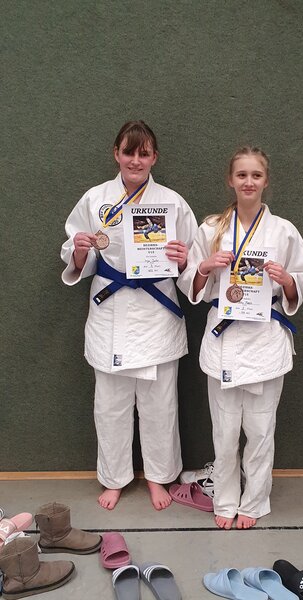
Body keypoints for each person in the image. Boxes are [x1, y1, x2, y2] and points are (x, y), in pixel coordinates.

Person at [178, 146, 303, 529]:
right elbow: (190, 282)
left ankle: (254, 502)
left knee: (260, 432)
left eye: (256, 175)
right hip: (224, 340)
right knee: (223, 434)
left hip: (265, 340)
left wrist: (288, 281)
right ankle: (225, 501)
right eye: (242, 175)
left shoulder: (283, 231)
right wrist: (205, 267)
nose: (249, 182)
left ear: (265, 181)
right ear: (230, 180)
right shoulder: (211, 229)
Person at [61, 120, 197, 511]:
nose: (135, 160)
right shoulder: (95, 199)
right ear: (116, 154)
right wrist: (80, 249)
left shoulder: (172, 203)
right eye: (128, 152)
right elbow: (77, 255)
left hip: (157, 311)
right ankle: (114, 478)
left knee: (160, 406)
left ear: (154, 157)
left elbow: (194, 262)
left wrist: (184, 260)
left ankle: (158, 476)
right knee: (110, 406)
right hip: (112, 310)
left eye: (143, 153)